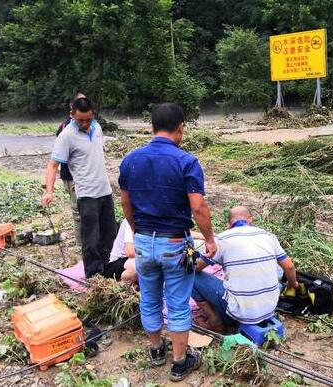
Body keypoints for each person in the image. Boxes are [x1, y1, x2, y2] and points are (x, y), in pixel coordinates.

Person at [118, 102, 217, 382]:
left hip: (144, 244)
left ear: (151, 127)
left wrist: (139, 231)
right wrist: (209, 239)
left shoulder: (130, 161)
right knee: (177, 303)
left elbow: (126, 204)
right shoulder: (186, 162)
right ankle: (179, 362)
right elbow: (198, 207)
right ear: (181, 127)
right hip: (174, 243)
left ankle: (156, 350)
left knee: (149, 297)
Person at [42, 97, 117, 279]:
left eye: (88, 119)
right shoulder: (66, 136)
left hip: (105, 191)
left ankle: (108, 271)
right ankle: (93, 278)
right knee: (91, 240)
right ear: (71, 115)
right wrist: (49, 191)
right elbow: (52, 165)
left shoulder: (98, 128)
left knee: (109, 236)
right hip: (86, 194)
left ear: (93, 115)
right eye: (80, 120)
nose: (84, 123)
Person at [192, 206, 298, 332]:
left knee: (189, 274)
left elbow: (196, 268)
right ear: (251, 220)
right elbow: (289, 267)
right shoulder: (268, 236)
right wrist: (293, 284)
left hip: (237, 314)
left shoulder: (222, 239)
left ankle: (215, 321)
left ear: (228, 224)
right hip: (269, 309)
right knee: (277, 271)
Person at [56, 90, 86, 245]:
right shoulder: (66, 127)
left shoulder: (88, 125)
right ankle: (81, 244)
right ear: (71, 106)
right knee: (78, 211)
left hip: (84, 176)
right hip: (71, 176)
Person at [102, 218, 137, 284]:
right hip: (117, 263)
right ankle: (123, 285)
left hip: (136, 258)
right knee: (141, 264)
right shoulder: (131, 220)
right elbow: (130, 252)